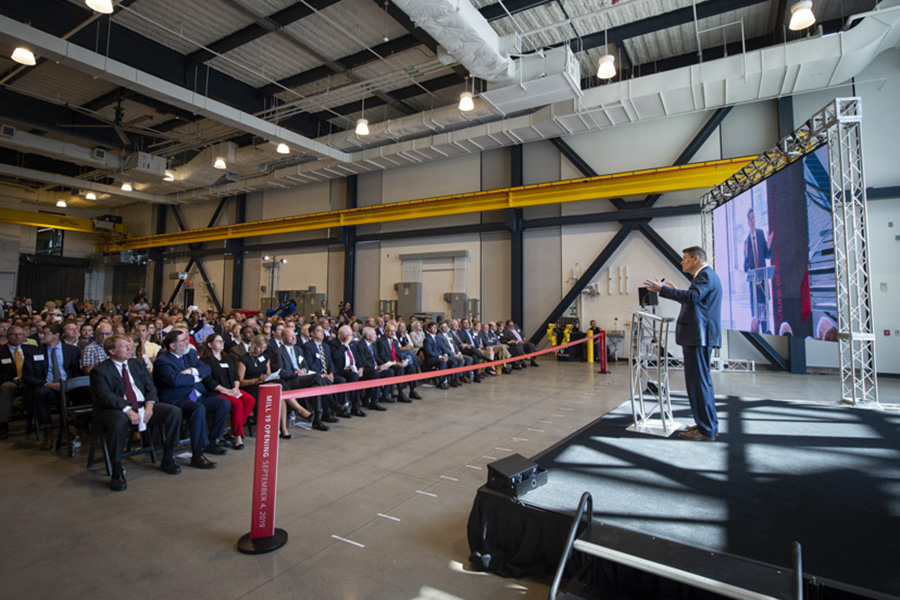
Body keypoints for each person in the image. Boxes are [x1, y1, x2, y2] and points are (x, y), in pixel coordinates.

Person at [644, 246, 723, 442]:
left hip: (698, 337)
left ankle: (706, 430)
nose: (682, 262)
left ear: (696, 258)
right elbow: (696, 302)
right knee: (701, 382)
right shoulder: (706, 276)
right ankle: (707, 424)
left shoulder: (704, 276)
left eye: (685, 259)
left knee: (698, 384)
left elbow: (693, 297)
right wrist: (674, 291)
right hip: (699, 336)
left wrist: (664, 290)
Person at [90, 334, 183, 491]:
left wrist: (149, 405)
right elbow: (105, 396)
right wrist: (127, 409)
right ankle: (117, 469)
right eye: (124, 346)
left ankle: (168, 457)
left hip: (142, 405)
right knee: (118, 422)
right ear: (112, 351)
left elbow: (150, 386)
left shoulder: (137, 364)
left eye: (129, 345)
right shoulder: (99, 371)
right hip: (116, 408)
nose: (129, 348)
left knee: (174, 412)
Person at [154, 329, 229, 468]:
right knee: (198, 409)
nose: (187, 342)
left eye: (186, 339)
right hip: (177, 399)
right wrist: (195, 377)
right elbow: (175, 381)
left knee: (223, 403)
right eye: (183, 341)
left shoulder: (190, 355)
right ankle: (197, 454)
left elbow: (206, 369)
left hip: (196, 394)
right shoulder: (162, 361)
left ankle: (211, 441)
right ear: (172, 346)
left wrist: (191, 371)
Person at [21, 323, 82, 450]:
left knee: (86, 391)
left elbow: (75, 371)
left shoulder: (71, 350)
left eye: (46, 333)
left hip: (68, 385)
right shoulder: (33, 352)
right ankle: (47, 433)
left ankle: (82, 426)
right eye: (41, 333)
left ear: (56, 335)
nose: (41, 336)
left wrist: (69, 383)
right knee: (41, 393)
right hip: (47, 386)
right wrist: (48, 384)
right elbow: (27, 377)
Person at [200, 333, 255, 450]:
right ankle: (238, 437)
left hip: (232, 389)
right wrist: (227, 391)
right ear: (210, 345)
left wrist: (235, 388)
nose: (222, 344)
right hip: (218, 391)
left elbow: (235, 376)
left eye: (222, 341)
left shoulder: (227, 357)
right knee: (237, 403)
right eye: (218, 341)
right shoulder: (205, 361)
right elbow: (209, 382)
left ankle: (232, 432)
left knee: (250, 400)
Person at [743, 208, 774, 334]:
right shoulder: (747, 241)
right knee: (756, 315)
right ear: (748, 222)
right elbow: (746, 268)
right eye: (751, 219)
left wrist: (769, 244)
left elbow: (767, 255)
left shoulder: (760, 234)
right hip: (754, 285)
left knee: (765, 312)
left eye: (754, 218)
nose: (753, 221)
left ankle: (767, 332)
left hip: (763, 281)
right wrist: (745, 255)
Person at [0, 325, 31, 439]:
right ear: (8, 336)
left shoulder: (30, 349)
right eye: (14, 334)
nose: (17, 337)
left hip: (28, 380)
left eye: (20, 334)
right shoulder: (1, 351)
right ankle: (3, 424)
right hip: (10, 380)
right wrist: (15, 379)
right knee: (8, 387)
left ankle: (40, 421)